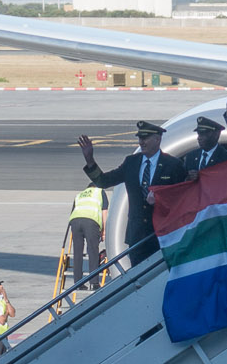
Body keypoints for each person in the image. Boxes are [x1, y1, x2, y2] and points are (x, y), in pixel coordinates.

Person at [80, 121, 188, 265]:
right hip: (137, 236)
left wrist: (162, 200)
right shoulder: (131, 162)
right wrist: (90, 160)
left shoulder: (173, 165)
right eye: (140, 138)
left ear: (157, 139)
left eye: (145, 138)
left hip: (162, 235)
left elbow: (183, 197)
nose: (141, 142)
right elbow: (104, 182)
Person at [67, 182, 107, 288]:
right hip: (90, 221)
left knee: (77, 252)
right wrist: (104, 231)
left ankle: (78, 283)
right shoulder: (100, 192)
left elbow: (73, 211)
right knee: (93, 251)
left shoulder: (79, 195)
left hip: (75, 221)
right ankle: (94, 282)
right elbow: (104, 212)